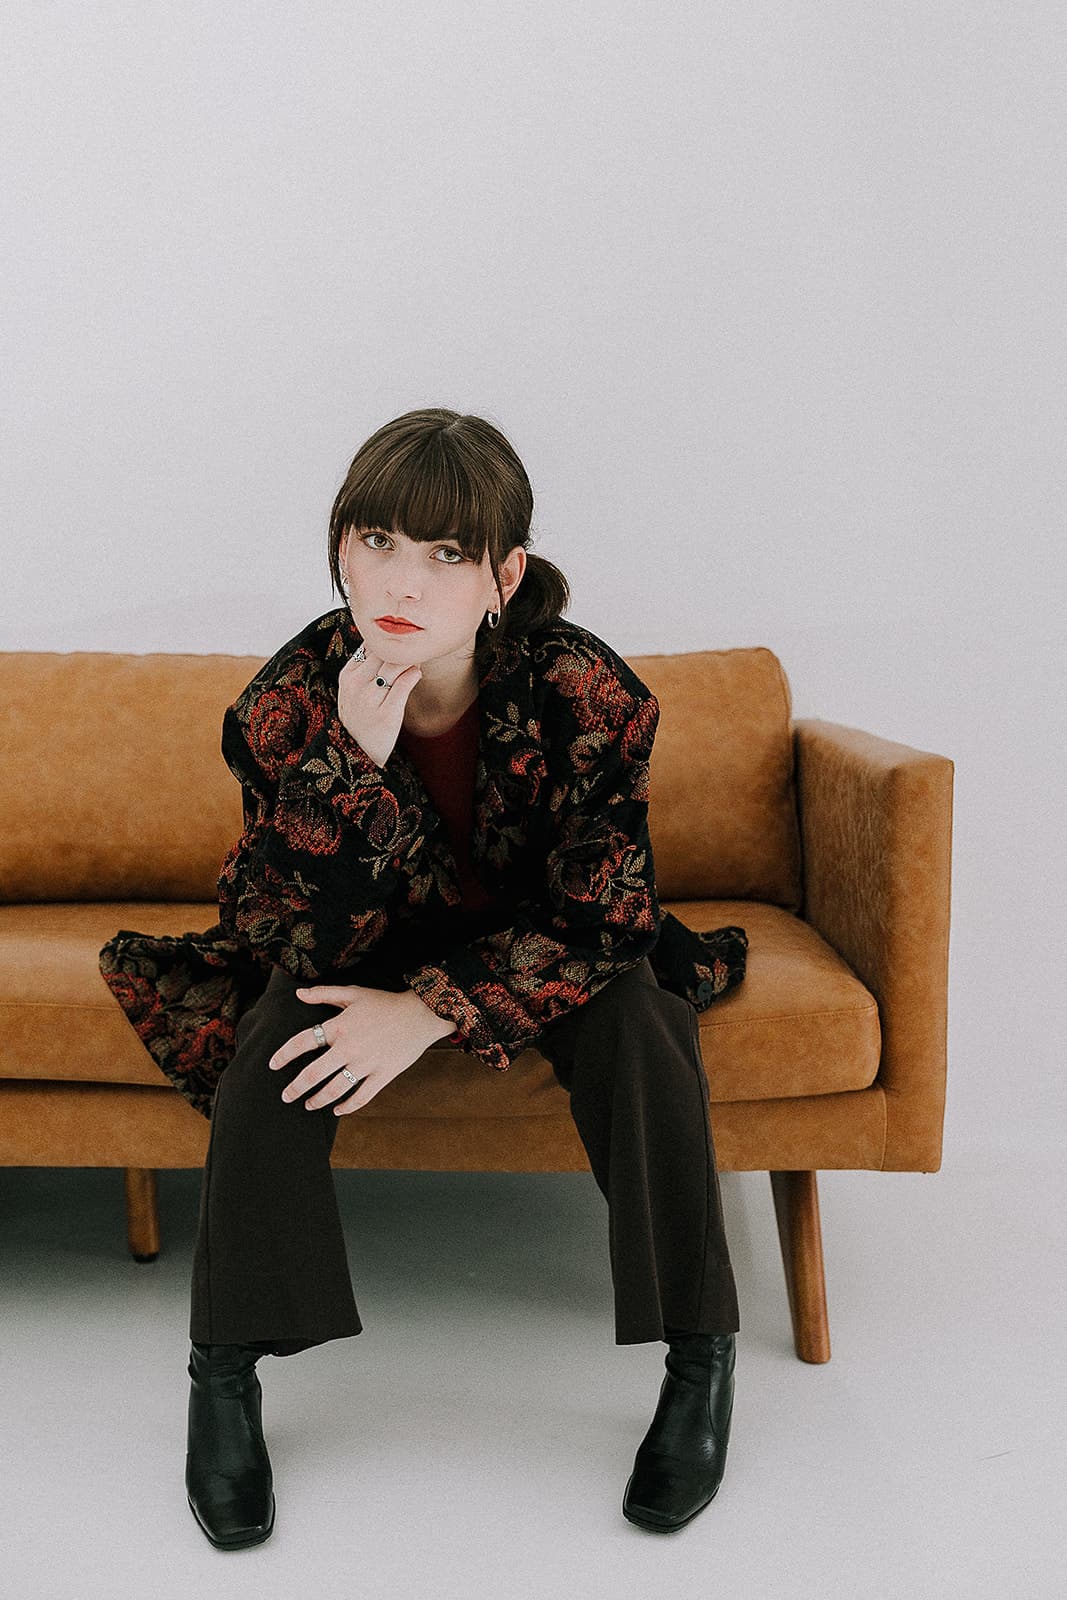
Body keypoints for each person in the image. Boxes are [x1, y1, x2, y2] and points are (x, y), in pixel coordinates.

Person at [98, 407, 749, 1548]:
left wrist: (428, 1013)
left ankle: (697, 1357)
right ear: (340, 546)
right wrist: (347, 768)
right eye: (377, 540)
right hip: (366, 941)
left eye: (445, 553)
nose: (402, 578)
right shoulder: (288, 701)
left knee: (645, 1021)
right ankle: (223, 1374)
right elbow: (280, 935)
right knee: (272, 1041)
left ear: (503, 574)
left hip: (544, 943)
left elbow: (604, 913)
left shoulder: (584, 692)